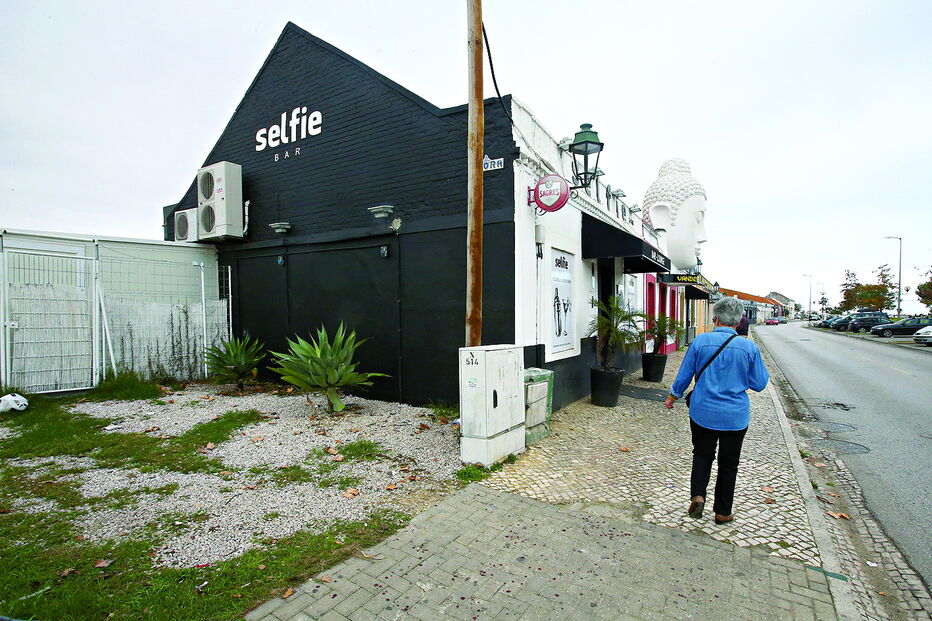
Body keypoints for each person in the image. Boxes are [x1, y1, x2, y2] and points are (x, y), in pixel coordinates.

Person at [663, 296, 769, 524]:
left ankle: (698, 495)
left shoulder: (700, 342)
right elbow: (759, 384)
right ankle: (722, 511)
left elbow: (684, 375)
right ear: (738, 321)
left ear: (717, 319)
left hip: (703, 412)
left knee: (702, 455)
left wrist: (673, 396)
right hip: (735, 416)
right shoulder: (749, 347)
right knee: (729, 464)